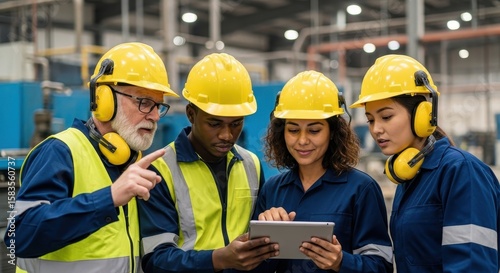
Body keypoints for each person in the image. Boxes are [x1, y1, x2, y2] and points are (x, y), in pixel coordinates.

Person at [3, 42, 179, 273]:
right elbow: (20, 234)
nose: (156, 116)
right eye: (145, 102)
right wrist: (110, 198)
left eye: (159, 106)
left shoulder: (132, 162)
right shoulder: (60, 152)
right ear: (104, 99)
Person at [350, 54, 500, 272]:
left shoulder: (460, 171)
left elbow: (471, 265)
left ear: (423, 115)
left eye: (386, 117)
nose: (376, 129)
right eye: (370, 120)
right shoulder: (408, 176)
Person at [138, 52, 278, 273]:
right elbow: (156, 260)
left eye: (236, 124)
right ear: (191, 114)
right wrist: (218, 259)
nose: (226, 135)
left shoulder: (251, 164)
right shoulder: (159, 170)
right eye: (214, 124)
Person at [248, 70, 394, 272]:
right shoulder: (273, 190)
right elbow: (254, 268)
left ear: (333, 132)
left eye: (314, 130)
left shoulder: (361, 189)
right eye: (293, 130)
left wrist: (341, 262)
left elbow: (381, 266)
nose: (302, 140)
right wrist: (263, 241)